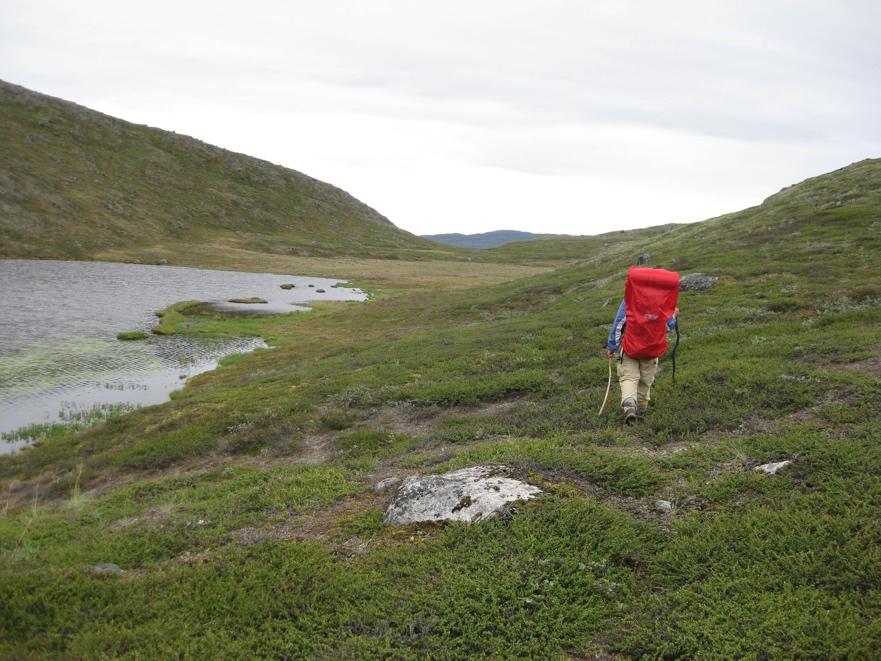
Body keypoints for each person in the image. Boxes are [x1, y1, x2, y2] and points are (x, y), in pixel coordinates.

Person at [606, 300, 678, 423]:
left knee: (629, 377)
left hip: (630, 348)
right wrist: (674, 316)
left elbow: (618, 323)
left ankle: (629, 407)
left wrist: (612, 346)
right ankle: (641, 409)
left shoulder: (629, 300)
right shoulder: (664, 301)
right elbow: (667, 326)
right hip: (651, 350)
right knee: (646, 379)